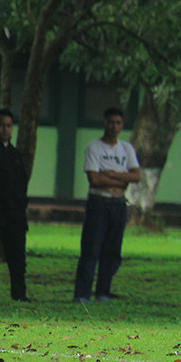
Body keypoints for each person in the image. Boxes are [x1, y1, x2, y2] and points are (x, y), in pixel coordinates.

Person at [72, 107, 141, 304]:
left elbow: (136, 176)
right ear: (103, 123)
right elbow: (94, 180)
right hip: (98, 203)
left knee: (112, 251)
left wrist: (110, 174)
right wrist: (122, 179)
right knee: (91, 249)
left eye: (118, 123)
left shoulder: (126, 149)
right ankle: (82, 294)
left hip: (118, 204)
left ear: (122, 125)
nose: (114, 127)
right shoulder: (94, 148)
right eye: (111, 122)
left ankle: (103, 293)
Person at [0, 109, 31, 302]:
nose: (4, 129)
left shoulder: (15, 155)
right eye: (1, 125)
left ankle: (19, 293)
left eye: (8, 126)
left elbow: (21, 183)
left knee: (17, 257)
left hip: (14, 215)